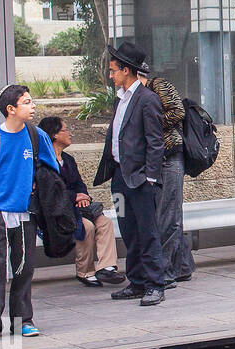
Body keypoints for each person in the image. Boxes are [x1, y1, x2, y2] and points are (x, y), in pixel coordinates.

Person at [0, 85, 60, 340]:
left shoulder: (36, 135)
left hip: (25, 213)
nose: (33, 107)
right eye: (27, 102)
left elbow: (51, 170)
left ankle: (23, 321)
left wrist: (40, 185)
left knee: (24, 268)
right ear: (11, 109)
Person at [93, 41, 171, 306]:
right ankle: (137, 282)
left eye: (113, 70)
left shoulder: (147, 99)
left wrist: (150, 178)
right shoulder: (121, 99)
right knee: (128, 231)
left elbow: (155, 142)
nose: (110, 75)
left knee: (147, 232)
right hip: (120, 178)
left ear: (126, 70)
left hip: (140, 180)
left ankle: (155, 285)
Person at [39, 116, 123, 288]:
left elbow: (79, 184)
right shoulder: (42, 162)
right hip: (56, 212)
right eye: (65, 130)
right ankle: (84, 271)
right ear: (54, 135)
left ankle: (107, 267)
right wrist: (74, 197)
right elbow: (47, 192)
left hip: (77, 208)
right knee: (86, 226)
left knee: (105, 223)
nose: (70, 133)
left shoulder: (68, 159)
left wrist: (83, 197)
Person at [137, 67, 195, 283]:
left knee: (169, 216)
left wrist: (148, 125)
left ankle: (165, 271)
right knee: (168, 214)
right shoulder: (132, 96)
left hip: (171, 155)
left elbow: (178, 112)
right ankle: (182, 266)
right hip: (155, 159)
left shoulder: (157, 85)